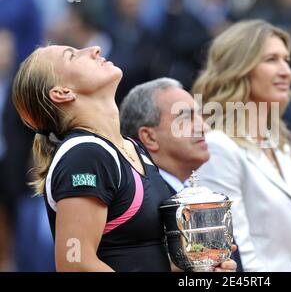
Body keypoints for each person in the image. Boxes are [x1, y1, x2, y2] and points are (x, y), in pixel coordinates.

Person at [12, 45, 236, 272]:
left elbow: (145, 258)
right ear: (62, 92)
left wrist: (201, 268)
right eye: (72, 55)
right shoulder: (85, 155)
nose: (94, 49)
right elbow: (75, 263)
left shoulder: (133, 148)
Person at [191, 19, 291, 272]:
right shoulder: (218, 147)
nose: (286, 70)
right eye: (271, 59)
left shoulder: (285, 146)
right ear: (239, 69)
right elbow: (236, 249)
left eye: (286, 59)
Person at [119, 77, 243, 271]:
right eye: (187, 118)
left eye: (200, 116)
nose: (204, 127)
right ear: (150, 137)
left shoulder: (203, 195)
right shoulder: (137, 207)